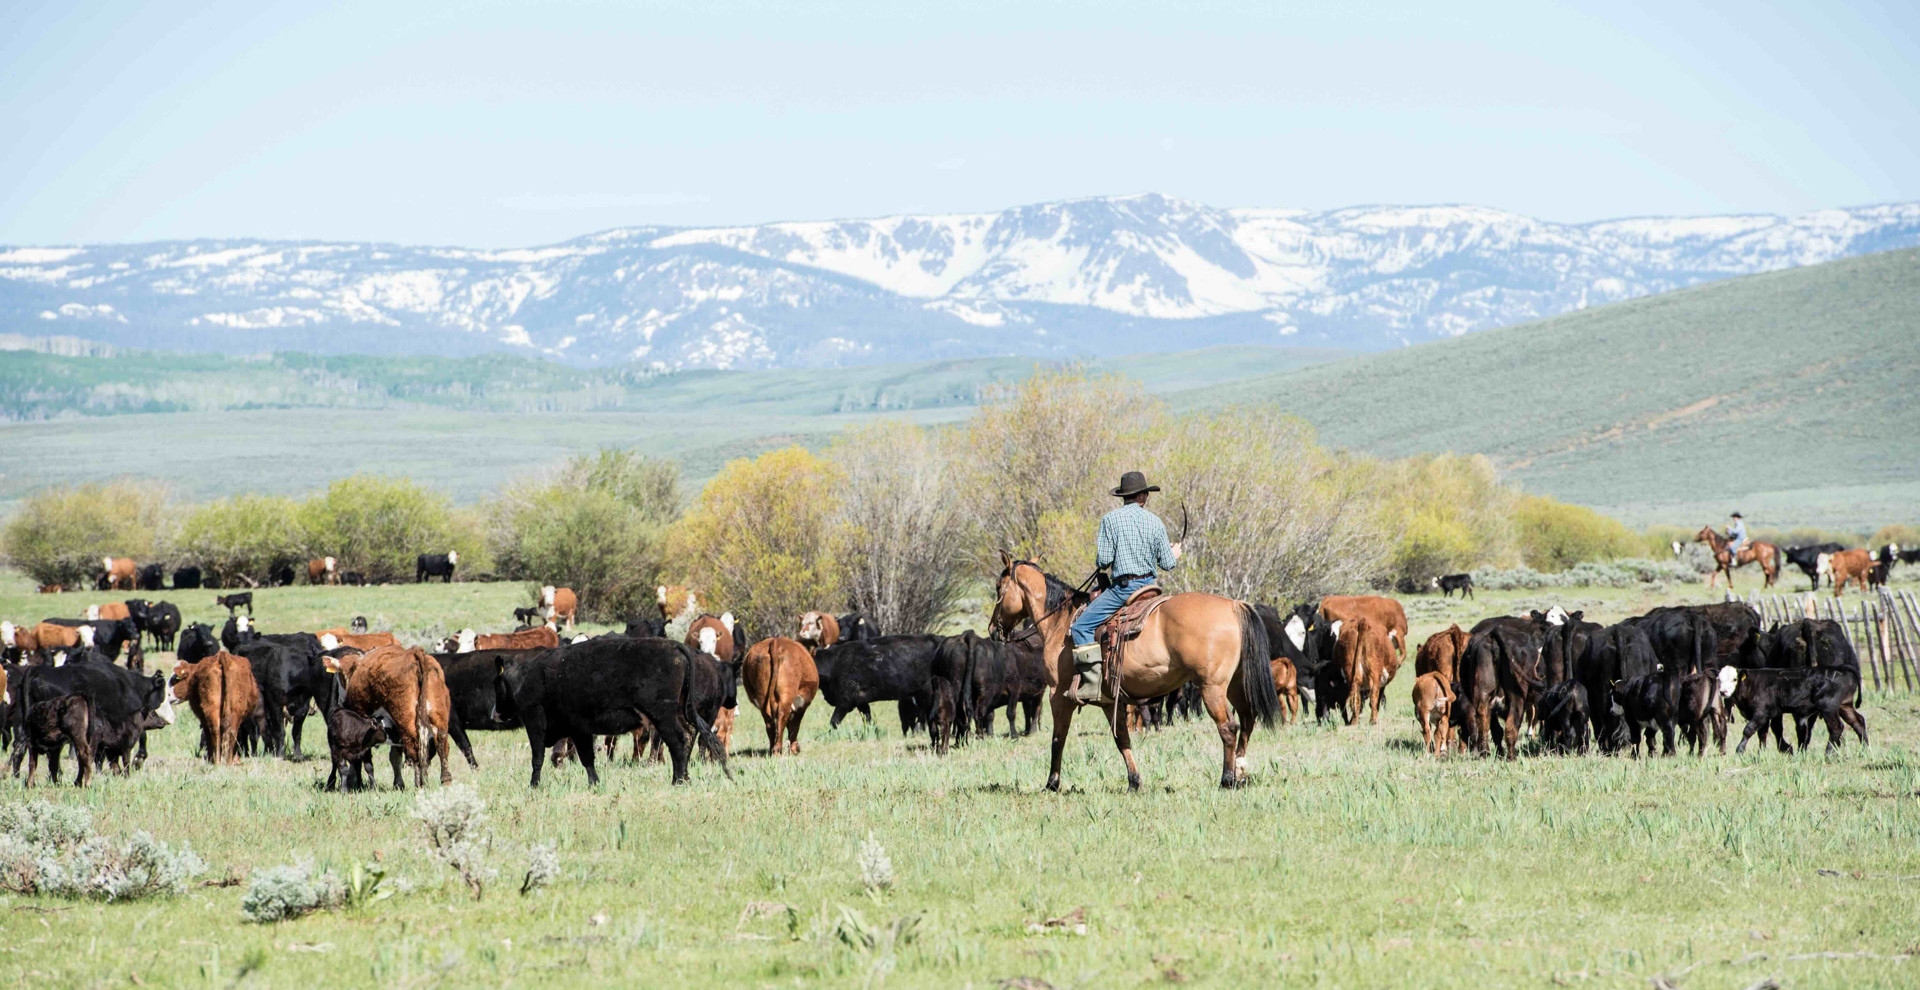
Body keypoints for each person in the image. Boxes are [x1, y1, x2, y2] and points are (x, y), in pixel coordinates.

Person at [1067, 471, 1181, 701]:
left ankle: (1093, 686)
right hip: (1150, 588)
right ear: (1143, 496)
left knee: (1080, 627)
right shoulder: (1155, 521)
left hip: (1124, 589)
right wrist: (1174, 552)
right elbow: (1168, 564)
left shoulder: (1110, 519)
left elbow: (1103, 561)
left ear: (1124, 496)